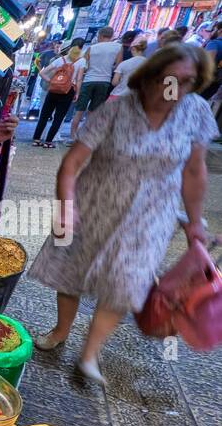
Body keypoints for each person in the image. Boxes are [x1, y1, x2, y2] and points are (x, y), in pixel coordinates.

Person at [29, 42, 216, 386]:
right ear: (149, 77)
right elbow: (72, 163)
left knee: (126, 282)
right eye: (167, 78)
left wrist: (194, 222)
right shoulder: (116, 111)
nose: (173, 88)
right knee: (71, 270)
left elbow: (194, 172)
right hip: (93, 204)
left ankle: (90, 354)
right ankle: (60, 331)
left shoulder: (196, 112)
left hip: (152, 214)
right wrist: (66, 207)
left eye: (185, 81)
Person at [68, 26, 122, 140]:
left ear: (100, 36)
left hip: (89, 80)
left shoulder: (92, 48)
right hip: (104, 81)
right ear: (111, 36)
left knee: (79, 111)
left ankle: (73, 136)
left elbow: (85, 65)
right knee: (93, 111)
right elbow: (118, 65)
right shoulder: (118, 47)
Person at [31, 45, 83, 147]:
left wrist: (51, 81)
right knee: (58, 117)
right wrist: (77, 92)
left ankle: (36, 139)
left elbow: (42, 73)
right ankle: (48, 142)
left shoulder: (60, 59)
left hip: (54, 90)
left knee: (44, 115)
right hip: (68, 91)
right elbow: (79, 79)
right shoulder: (81, 62)